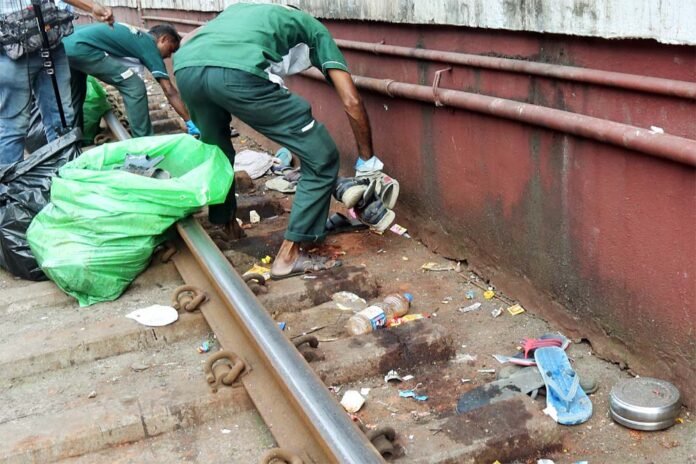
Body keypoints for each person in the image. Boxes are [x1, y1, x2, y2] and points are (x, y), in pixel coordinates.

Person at [174, 3, 385, 279]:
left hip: (186, 68)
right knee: (321, 156)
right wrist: (367, 162)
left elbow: (192, 38)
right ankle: (289, 257)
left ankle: (227, 226)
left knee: (217, 152)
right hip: (237, 73)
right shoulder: (312, 28)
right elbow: (351, 100)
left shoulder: (242, 11)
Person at [0, 0, 114, 166]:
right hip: (13, 52)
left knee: (62, 120)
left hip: (51, 45)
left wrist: (91, 7)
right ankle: (10, 187)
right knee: (14, 127)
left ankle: (65, 174)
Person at [63, 22, 199, 138]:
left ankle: (72, 139)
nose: (168, 56)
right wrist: (189, 121)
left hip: (65, 45)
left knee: (77, 93)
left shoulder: (134, 37)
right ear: (164, 39)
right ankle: (144, 143)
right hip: (81, 48)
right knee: (134, 86)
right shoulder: (149, 44)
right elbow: (169, 90)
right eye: (171, 49)